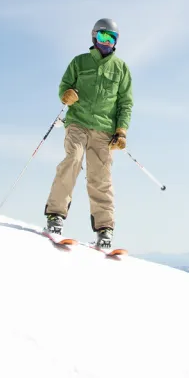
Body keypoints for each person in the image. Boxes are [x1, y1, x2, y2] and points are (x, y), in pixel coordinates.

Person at [44, 18, 133, 250]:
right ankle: (55, 215)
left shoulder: (121, 69)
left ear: (116, 43)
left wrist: (121, 130)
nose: (107, 43)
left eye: (111, 39)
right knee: (72, 159)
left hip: (104, 130)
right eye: (103, 37)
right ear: (94, 37)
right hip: (78, 122)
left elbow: (126, 103)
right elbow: (64, 86)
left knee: (100, 176)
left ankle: (105, 229)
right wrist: (67, 95)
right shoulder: (80, 62)